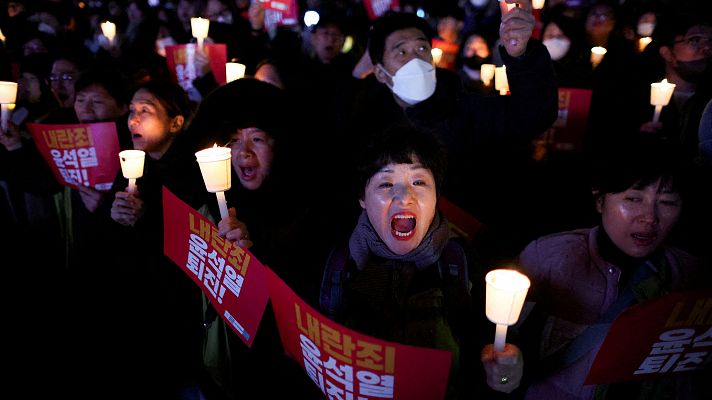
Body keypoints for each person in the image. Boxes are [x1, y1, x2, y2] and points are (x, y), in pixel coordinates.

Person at [320, 122, 525, 399]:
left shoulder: (464, 265)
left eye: (419, 182)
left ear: (437, 196)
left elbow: (493, 377)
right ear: (362, 199)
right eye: (386, 183)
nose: (404, 197)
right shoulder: (332, 264)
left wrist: (504, 376)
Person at [347, 5, 558, 263]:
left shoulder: (465, 108)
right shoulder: (367, 123)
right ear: (380, 72)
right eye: (401, 51)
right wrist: (356, 78)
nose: (415, 59)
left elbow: (533, 114)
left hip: (463, 252)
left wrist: (522, 56)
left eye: (422, 49)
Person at [515, 136, 710, 400]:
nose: (650, 217)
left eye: (667, 203)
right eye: (632, 199)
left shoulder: (690, 275)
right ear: (600, 200)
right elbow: (504, 358)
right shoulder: (549, 259)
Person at [186, 77, 329, 399]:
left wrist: (256, 255)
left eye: (257, 139)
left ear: (279, 145)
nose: (244, 151)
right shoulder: (212, 210)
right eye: (234, 141)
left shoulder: (310, 210)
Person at [106, 78, 205, 398]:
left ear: (176, 123)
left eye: (146, 111)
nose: (133, 119)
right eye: (132, 111)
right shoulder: (134, 165)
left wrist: (145, 219)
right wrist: (114, 215)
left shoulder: (194, 171)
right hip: (140, 301)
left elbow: (191, 240)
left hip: (179, 308)